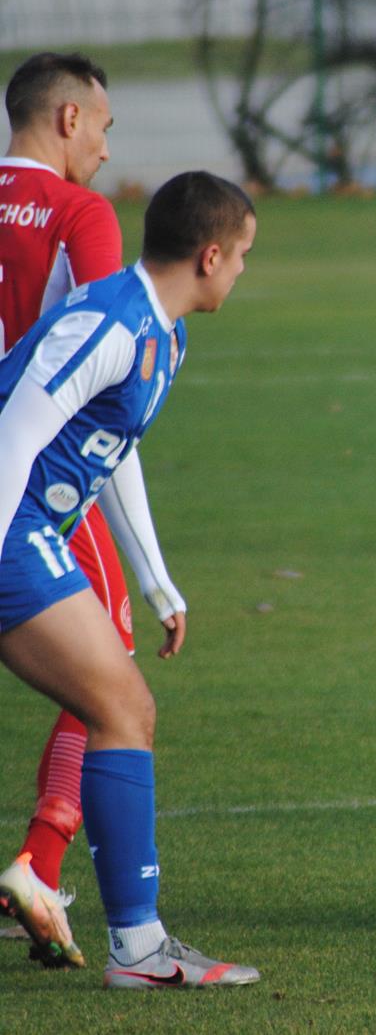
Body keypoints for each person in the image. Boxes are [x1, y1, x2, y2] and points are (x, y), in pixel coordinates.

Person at [0, 170, 260, 988]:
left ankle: (137, 946)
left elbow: (114, 446)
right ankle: (138, 950)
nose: (245, 271)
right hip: (12, 526)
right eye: (244, 254)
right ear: (210, 255)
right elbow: (12, 432)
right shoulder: (111, 320)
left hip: (30, 529)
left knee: (120, 702)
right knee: (122, 704)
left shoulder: (162, 330)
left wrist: (156, 580)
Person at [0, 52, 180, 966]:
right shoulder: (81, 215)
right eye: (106, 128)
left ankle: (41, 872)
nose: (109, 151)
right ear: (69, 119)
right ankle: (42, 862)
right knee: (108, 675)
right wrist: (154, 574)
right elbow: (104, 363)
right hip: (33, 479)